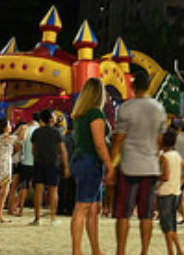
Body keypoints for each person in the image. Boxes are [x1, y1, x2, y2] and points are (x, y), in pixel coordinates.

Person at [110, 71, 166, 255]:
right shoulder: (159, 108)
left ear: (132, 86)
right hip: (150, 166)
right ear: (149, 86)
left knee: (123, 213)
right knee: (146, 214)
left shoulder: (126, 108)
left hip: (129, 165)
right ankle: (144, 251)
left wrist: (111, 165)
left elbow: (119, 139)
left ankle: (121, 251)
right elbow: (160, 139)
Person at [69, 77, 115, 255]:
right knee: (83, 206)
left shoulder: (80, 114)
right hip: (91, 161)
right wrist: (110, 165)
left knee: (93, 208)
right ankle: (77, 250)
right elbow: (99, 143)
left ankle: (95, 249)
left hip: (81, 159)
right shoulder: (95, 114)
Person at [156, 128, 184, 255]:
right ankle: (179, 250)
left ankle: (170, 250)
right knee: (172, 224)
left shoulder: (164, 157)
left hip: (165, 191)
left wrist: (156, 177)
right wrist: (179, 183)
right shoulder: (176, 155)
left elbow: (165, 176)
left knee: (166, 225)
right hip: (175, 191)